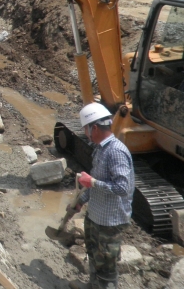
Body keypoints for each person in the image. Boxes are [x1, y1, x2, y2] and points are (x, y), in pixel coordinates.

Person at [68, 103, 135, 289]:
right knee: (93, 254)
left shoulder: (116, 151)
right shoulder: (100, 149)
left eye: (86, 130)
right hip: (96, 215)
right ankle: (92, 285)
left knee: (106, 265)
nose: (86, 134)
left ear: (94, 127)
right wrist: (81, 201)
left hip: (110, 220)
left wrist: (93, 183)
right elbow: (95, 181)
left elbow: (123, 187)